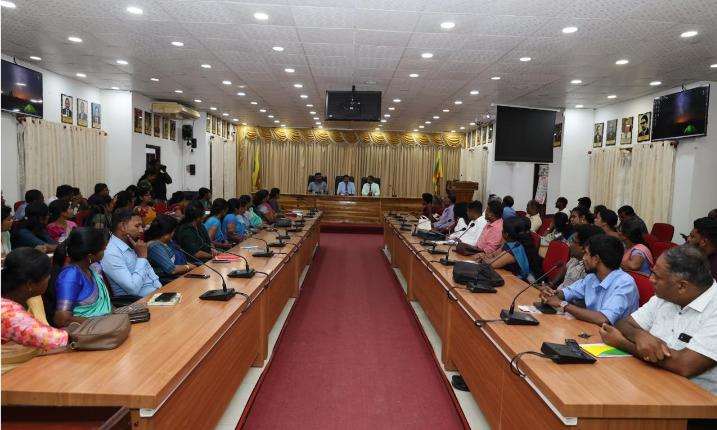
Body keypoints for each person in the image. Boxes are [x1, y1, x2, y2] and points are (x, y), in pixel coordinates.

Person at [599, 246, 717, 398]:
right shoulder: (664, 297)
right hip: (652, 383)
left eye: (657, 277)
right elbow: (623, 325)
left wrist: (622, 343)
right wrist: (640, 335)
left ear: (682, 286)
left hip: (696, 402)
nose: (651, 279)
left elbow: (684, 365)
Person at [539, 235, 639, 325]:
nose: (583, 258)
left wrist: (562, 304)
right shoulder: (592, 277)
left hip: (613, 337)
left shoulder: (625, 283)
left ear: (596, 259)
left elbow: (603, 319)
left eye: (586, 254)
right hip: (591, 330)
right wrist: (551, 293)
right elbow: (566, 293)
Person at [0, 248, 69, 376]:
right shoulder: (7, 311)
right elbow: (54, 339)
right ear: (30, 284)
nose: (49, 277)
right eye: (46, 275)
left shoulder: (32, 297)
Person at [48, 228, 112, 327]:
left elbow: (108, 308)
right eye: (103, 249)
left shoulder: (92, 268)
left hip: (106, 325)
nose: (105, 250)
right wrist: (101, 322)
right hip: (88, 331)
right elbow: (62, 319)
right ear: (90, 257)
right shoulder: (70, 275)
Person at [101, 208, 161, 297]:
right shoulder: (111, 254)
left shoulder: (134, 245)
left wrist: (161, 291)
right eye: (137, 226)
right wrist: (142, 258)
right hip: (139, 302)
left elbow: (153, 278)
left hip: (156, 295)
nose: (141, 230)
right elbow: (133, 290)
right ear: (123, 227)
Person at [476, 216, 544, 282]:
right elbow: (493, 254)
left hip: (520, 281)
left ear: (506, 234)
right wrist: (483, 255)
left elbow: (492, 264)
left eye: (503, 229)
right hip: (509, 275)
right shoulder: (510, 243)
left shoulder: (515, 248)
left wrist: (483, 258)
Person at [551, 225, 606, 293]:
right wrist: (550, 285)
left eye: (573, 241)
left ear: (583, 248)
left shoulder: (589, 270)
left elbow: (575, 297)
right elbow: (565, 269)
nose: (569, 244)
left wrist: (555, 295)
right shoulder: (575, 259)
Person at [145, 216, 194, 282]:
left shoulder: (166, 241)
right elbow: (172, 269)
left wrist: (191, 265)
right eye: (173, 231)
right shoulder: (155, 246)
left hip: (182, 276)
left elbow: (180, 259)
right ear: (166, 235)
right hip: (172, 281)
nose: (174, 233)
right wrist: (189, 267)